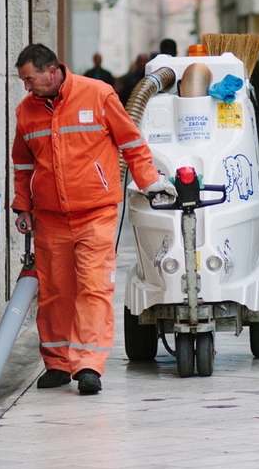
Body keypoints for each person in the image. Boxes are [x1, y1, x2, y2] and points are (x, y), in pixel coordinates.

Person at [11, 44, 176, 394]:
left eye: (29, 79)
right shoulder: (26, 112)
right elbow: (23, 165)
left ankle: (88, 365)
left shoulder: (98, 95)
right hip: (50, 217)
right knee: (55, 293)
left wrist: (150, 182)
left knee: (93, 287)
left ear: (51, 71)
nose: (26, 87)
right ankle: (56, 363)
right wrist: (22, 206)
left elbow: (131, 143)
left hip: (96, 212)